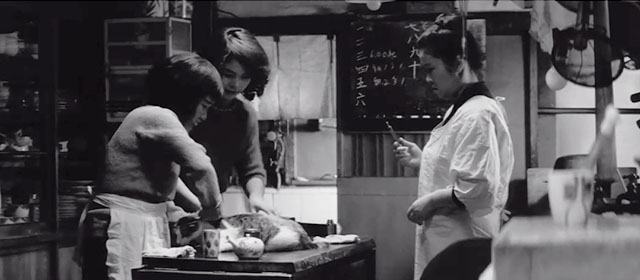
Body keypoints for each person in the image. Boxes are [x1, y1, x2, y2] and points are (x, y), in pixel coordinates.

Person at [77, 52, 224, 280]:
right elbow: (201, 167)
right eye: (204, 105)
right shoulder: (156, 116)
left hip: (134, 220)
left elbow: (169, 179)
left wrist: (197, 209)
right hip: (118, 222)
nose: (204, 116)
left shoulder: (151, 118)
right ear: (186, 98)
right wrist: (213, 212)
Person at [392, 13, 514, 279]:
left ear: (458, 64)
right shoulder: (463, 110)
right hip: (451, 245)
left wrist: (430, 202)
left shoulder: (476, 114)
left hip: (463, 249)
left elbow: (477, 187)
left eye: (430, 69)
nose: (426, 79)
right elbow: (463, 168)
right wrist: (423, 160)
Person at [188, 27, 275, 215]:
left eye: (244, 77)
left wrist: (256, 198)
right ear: (210, 67)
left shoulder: (245, 114)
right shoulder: (188, 105)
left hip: (210, 206)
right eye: (228, 74)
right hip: (172, 204)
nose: (236, 84)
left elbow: (252, 169)